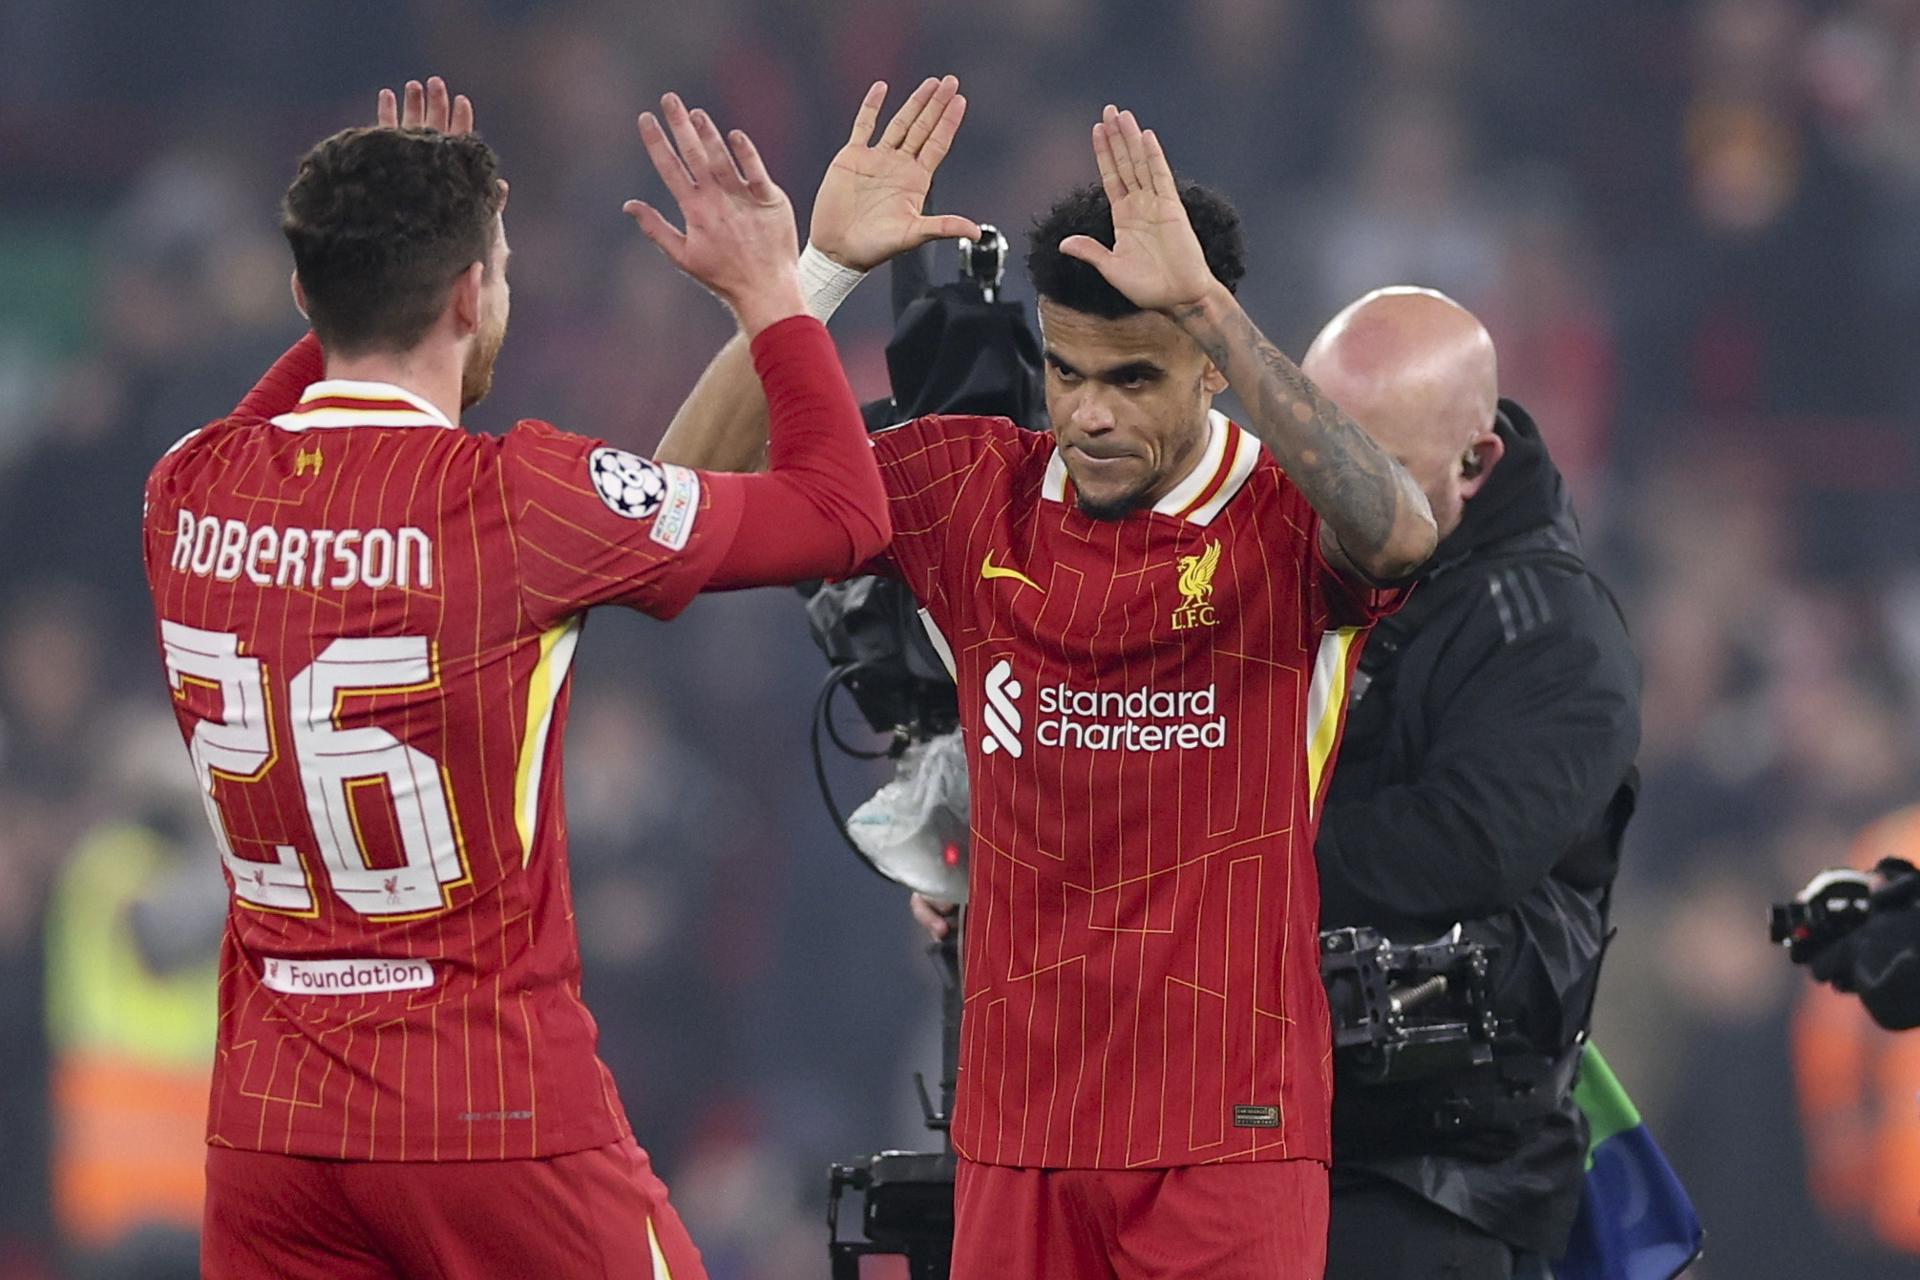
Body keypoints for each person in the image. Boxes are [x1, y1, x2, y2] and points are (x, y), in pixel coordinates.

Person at [141, 74, 905, 1279]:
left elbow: (300, 391)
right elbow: (842, 511)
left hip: (271, 1132)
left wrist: (382, 239)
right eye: (496, 264)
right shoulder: (520, 501)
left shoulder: (185, 491)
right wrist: (773, 287)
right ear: (468, 294)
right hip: (487, 1115)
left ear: (304, 293)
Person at [661, 101, 1436, 1278]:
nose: (1089, 412)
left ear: (1214, 371)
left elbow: (1401, 535)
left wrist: (1212, 307)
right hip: (1019, 1139)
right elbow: (667, 506)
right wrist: (809, 278)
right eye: (1067, 370)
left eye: (1134, 376)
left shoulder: (1282, 517)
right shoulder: (973, 487)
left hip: (1229, 1136)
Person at [1303, 289, 1641, 1278]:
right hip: (1251, 1139)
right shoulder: (1282, 567)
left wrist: (1204, 861)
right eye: (1317, 458)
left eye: (1380, 475)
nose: (1338, 500)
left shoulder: (1554, 632)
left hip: (1432, 1186)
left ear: (1476, 463)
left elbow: (1461, 845)